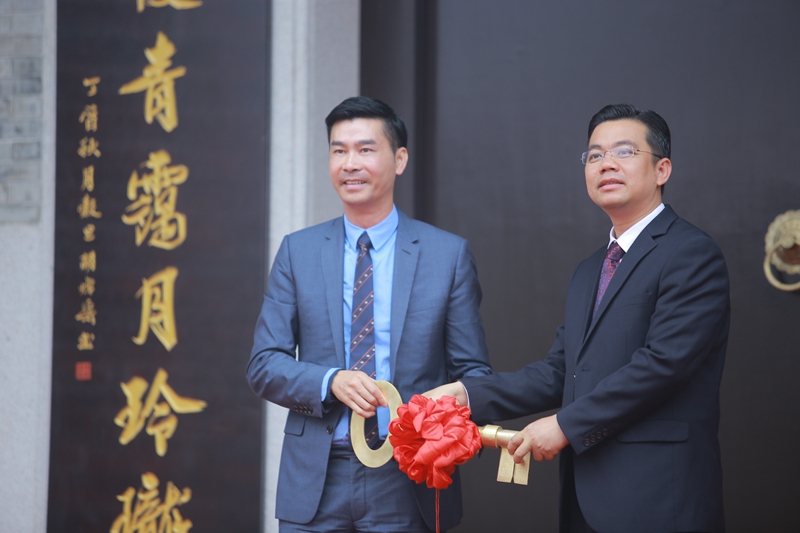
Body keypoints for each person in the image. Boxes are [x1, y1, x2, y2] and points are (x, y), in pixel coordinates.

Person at [427, 104, 730, 533]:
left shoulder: (691, 253)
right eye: (595, 155)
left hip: (659, 497)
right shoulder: (590, 270)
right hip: (586, 497)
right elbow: (561, 372)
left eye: (624, 152)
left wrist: (565, 426)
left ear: (662, 169)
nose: (606, 164)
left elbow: (664, 364)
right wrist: (467, 396)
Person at [246, 96, 492, 533]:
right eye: (339, 150)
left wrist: (438, 426)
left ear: (400, 159)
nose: (350, 163)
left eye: (365, 149)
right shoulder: (298, 252)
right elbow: (264, 365)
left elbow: (473, 374)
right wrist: (330, 381)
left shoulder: (447, 255)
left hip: (407, 476)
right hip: (316, 476)